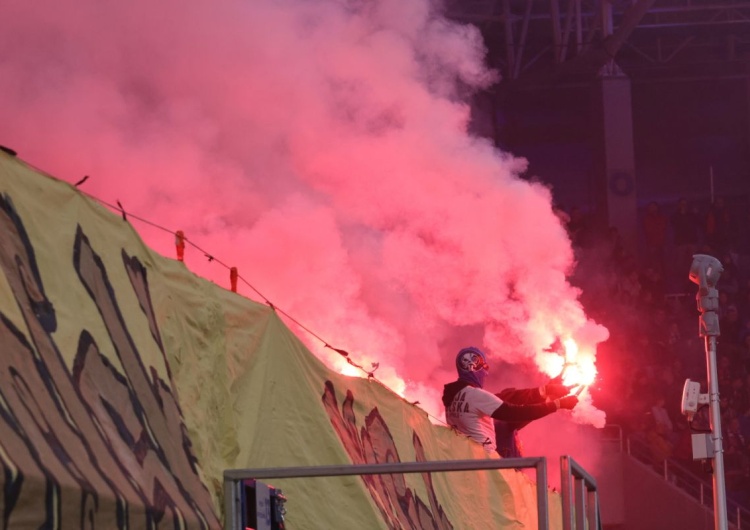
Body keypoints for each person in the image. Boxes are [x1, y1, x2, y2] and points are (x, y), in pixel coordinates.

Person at [442, 347, 578, 454]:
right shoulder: (476, 396)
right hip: (481, 463)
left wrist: (547, 390)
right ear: (473, 366)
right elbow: (515, 412)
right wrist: (557, 404)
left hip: (463, 458)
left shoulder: (453, 397)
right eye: (485, 367)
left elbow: (512, 399)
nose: (486, 373)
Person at [493, 376, 573, 458]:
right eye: (514, 403)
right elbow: (527, 413)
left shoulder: (506, 426)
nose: (520, 405)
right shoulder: (501, 424)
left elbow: (528, 411)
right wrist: (552, 397)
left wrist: (548, 393)